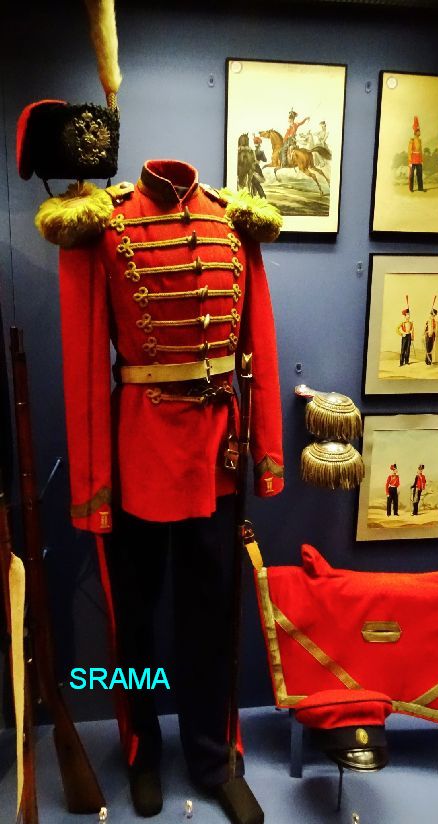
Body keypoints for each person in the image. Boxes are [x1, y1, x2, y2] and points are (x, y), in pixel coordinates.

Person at [55, 160, 285, 823]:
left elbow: (259, 346)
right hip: (139, 453)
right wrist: (93, 485)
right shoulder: (107, 224)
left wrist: (266, 453)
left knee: (212, 617)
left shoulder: (230, 222)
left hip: (217, 454)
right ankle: (142, 752)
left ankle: (215, 757)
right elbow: (86, 359)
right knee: (132, 622)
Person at [408, 116, 425, 192]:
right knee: (411, 175)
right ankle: (411, 188)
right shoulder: (412, 140)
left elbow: (420, 151)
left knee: (419, 174)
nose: (420, 132)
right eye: (419, 131)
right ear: (415, 132)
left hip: (418, 159)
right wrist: (410, 161)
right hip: (413, 159)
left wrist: (421, 160)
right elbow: (409, 151)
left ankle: (420, 188)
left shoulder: (420, 140)